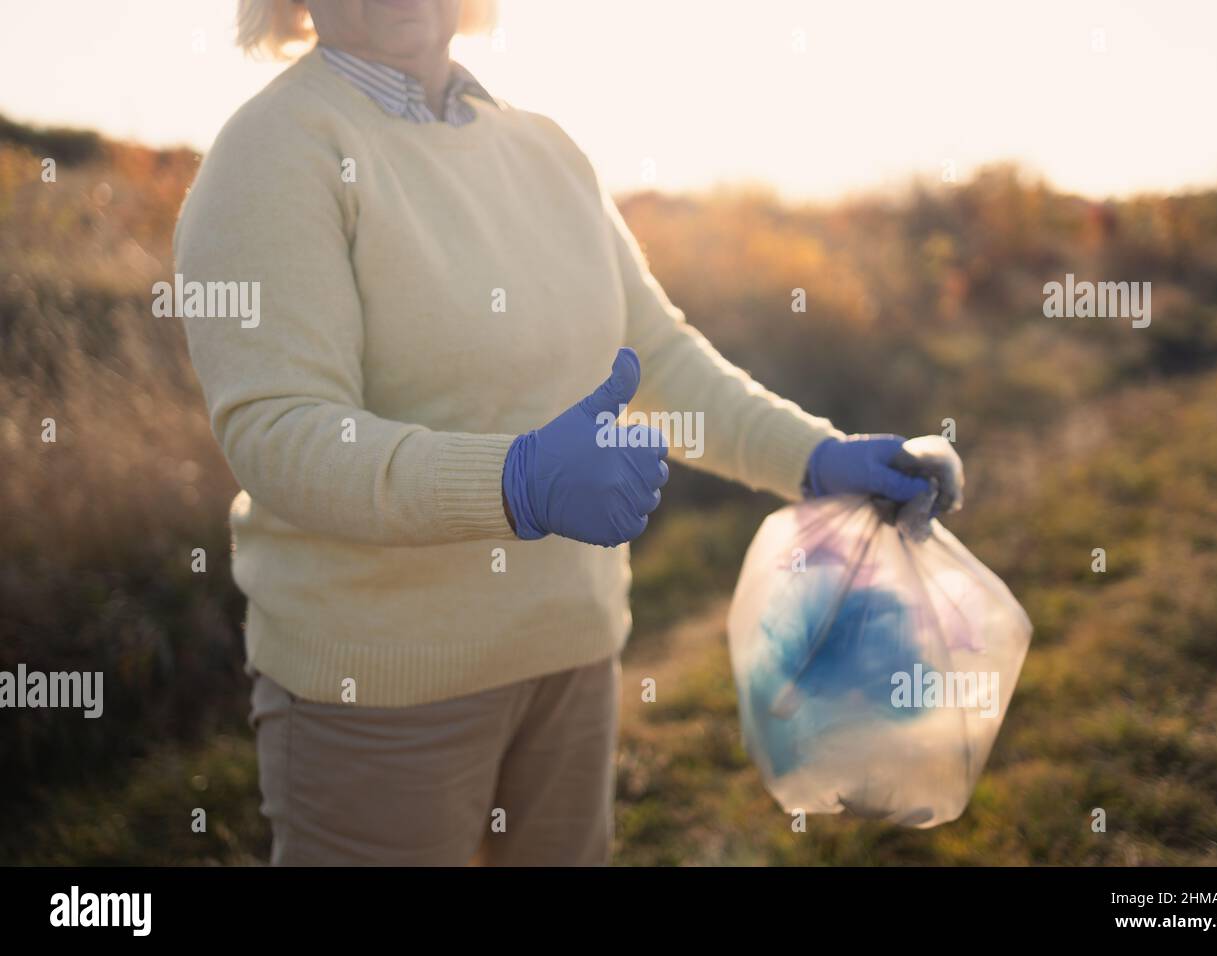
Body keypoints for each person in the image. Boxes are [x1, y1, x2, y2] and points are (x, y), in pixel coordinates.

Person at [175, 0, 956, 865]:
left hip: (572, 654)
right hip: (381, 695)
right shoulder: (272, 151)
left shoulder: (545, 147)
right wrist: (514, 482)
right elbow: (283, 433)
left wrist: (814, 457)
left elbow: (657, 359)